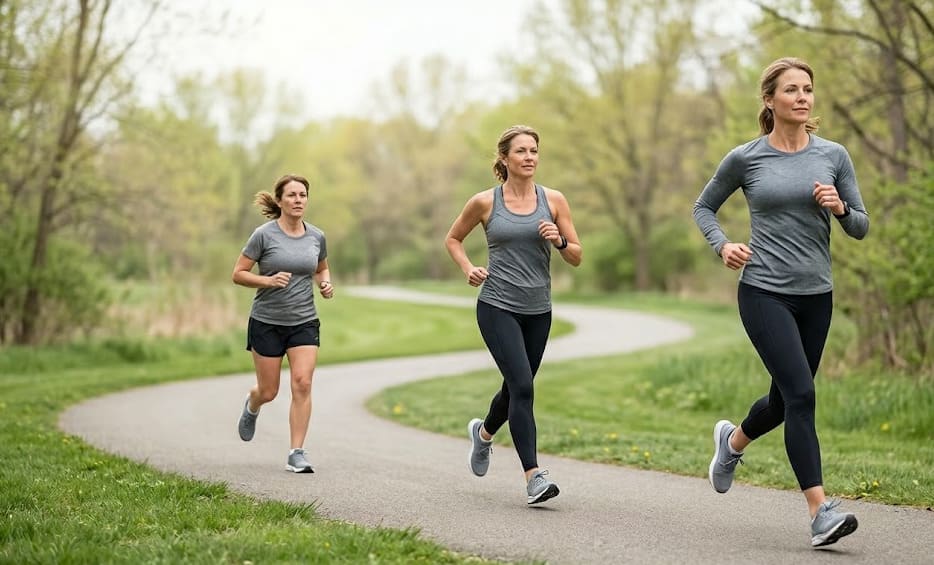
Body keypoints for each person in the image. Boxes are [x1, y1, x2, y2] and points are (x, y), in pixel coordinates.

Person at [693, 57, 869, 547]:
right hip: (764, 290)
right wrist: (722, 244)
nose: (802, 97)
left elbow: (861, 225)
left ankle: (731, 443)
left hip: (817, 294)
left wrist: (840, 208)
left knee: (783, 399)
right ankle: (820, 512)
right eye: (791, 89)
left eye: (808, 89)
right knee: (802, 396)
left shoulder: (833, 155)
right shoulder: (745, 158)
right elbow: (703, 206)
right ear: (769, 100)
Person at [444, 125, 582, 504]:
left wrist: (560, 240)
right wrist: (468, 268)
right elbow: (452, 238)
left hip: (539, 310)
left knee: (513, 388)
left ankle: (484, 433)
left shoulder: (553, 200)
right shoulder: (485, 202)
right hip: (496, 305)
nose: (530, 157)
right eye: (521, 151)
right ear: (504, 158)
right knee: (523, 386)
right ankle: (534, 476)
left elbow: (576, 256)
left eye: (534, 151)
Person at [232, 173, 334, 473]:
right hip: (267, 321)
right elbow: (238, 273)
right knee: (269, 390)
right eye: (292, 195)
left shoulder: (316, 236)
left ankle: (296, 452)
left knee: (302, 383)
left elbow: (321, 269)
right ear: (280, 200)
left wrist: (325, 284)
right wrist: (267, 280)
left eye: (302, 195)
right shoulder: (263, 235)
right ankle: (253, 404)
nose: (298, 200)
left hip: (304, 321)